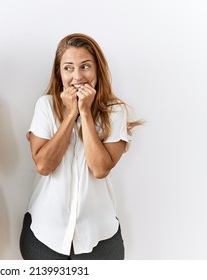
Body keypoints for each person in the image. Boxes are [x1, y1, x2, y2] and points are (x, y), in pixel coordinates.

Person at [19, 33, 142, 260]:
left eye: (85, 67)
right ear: (59, 73)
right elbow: (44, 165)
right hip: (45, 235)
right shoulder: (45, 106)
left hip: (99, 238)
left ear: (97, 70)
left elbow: (99, 169)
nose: (77, 76)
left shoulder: (115, 111)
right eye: (68, 68)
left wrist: (84, 112)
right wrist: (70, 115)